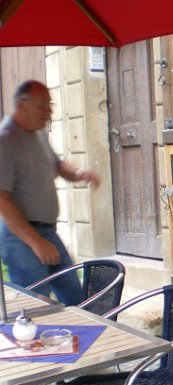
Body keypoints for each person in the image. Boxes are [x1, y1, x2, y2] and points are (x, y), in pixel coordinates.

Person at [0, 80, 100, 306]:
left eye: (49, 105)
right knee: (35, 306)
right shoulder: (5, 140)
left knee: (74, 298)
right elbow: (3, 200)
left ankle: (79, 330)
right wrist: (36, 242)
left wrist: (80, 173)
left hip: (47, 232)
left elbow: (57, 164)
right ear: (22, 104)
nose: (49, 112)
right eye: (43, 105)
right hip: (21, 238)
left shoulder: (38, 134)